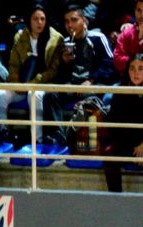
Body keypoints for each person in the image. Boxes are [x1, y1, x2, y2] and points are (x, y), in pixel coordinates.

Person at [42, 5, 115, 146]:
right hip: (74, 86)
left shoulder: (98, 38)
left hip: (95, 84)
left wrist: (90, 80)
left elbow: (109, 65)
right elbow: (61, 76)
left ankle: (86, 142)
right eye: (67, 21)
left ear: (84, 20)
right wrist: (64, 62)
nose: (70, 25)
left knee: (89, 99)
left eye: (74, 20)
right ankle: (58, 136)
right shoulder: (66, 42)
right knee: (50, 95)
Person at [0, 4, 64, 124]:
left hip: (44, 84)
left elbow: (53, 70)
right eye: (35, 19)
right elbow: (13, 64)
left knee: (33, 94)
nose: (39, 22)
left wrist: (33, 83)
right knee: (1, 94)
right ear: (29, 20)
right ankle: (2, 130)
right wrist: (16, 83)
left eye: (42, 19)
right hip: (22, 83)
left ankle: (36, 135)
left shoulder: (56, 39)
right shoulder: (20, 36)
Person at [102, 53, 143, 192]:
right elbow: (115, 127)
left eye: (141, 68)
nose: (136, 73)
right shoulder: (120, 92)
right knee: (109, 155)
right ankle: (116, 198)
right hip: (127, 143)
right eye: (132, 68)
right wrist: (135, 145)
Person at [113, 0, 143, 75]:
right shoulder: (126, 33)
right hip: (128, 79)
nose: (142, 15)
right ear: (135, 11)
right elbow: (117, 60)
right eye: (139, 10)